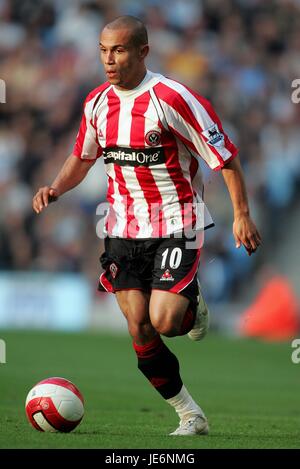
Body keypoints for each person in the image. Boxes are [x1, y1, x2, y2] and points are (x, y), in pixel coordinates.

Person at [32, 15, 261, 436]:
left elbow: (225, 156)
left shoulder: (173, 98)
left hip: (177, 219)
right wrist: (56, 188)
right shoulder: (97, 103)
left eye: (118, 50)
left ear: (143, 51)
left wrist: (242, 214)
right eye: (103, 50)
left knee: (167, 320)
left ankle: (191, 305)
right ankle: (190, 414)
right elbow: (83, 156)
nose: (109, 59)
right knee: (139, 325)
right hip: (122, 225)